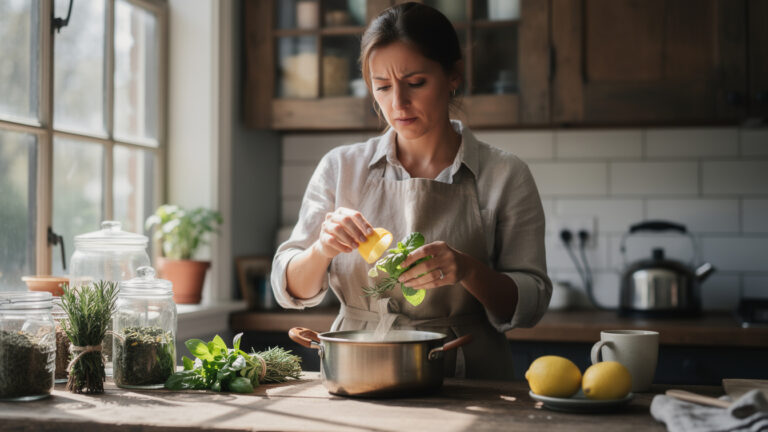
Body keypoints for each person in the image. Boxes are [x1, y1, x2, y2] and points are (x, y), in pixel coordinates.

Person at [271, 2, 551, 380]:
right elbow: (290, 287)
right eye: (382, 87)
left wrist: (468, 270)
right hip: (358, 368)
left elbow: (530, 302)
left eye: (415, 83)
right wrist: (322, 249)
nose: (397, 104)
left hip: (468, 375)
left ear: (453, 75)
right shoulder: (341, 168)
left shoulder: (506, 175)